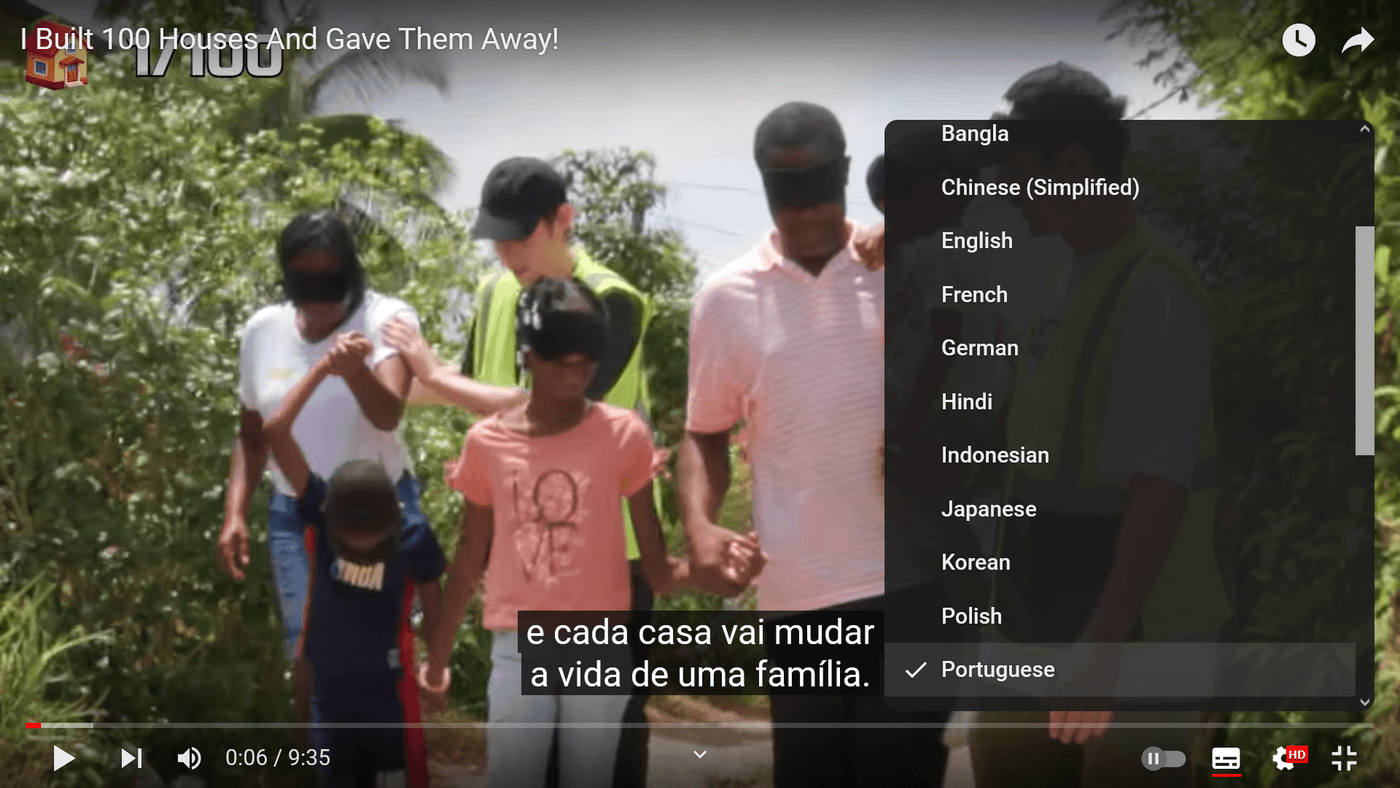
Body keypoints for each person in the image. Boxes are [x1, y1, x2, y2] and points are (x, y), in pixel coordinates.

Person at [968, 63, 1230, 787]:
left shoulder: (1155, 291)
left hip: (1131, 635)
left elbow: (1159, 485)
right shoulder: (1066, 276)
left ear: (1074, 165)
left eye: (1019, 173)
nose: (1008, 190)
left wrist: (1102, 641)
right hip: (1043, 618)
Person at [679, 101, 946, 788]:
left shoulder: (903, 265)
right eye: (784, 194)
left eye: (817, 190)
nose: (802, 214)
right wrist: (700, 524)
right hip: (797, 600)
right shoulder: (725, 299)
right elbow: (703, 433)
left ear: (847, 176)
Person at [421, 278, 762, 788]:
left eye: (588, 359)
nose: (577, 371)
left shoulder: (624, 435)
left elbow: (658, 570)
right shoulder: (487, 444)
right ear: (529, 356)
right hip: (521, 643)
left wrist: (720, 578)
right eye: (563, 358)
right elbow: (470, 556)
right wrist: (437, 661)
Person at [390, 157, 662, 788]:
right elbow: (460, 386)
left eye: (521, 235)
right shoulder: (495, 293)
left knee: (602, 759)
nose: (506, 251)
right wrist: (377, 380)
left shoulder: (614, 300)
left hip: (608, 565)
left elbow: (543, 407)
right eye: (497, 236)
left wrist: (433, 378)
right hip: (524, 561)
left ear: (562, 221)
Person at [219, 211, 427, 671]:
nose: (320, 306)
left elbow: (387, 413)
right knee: (307, 652)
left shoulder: (385, 319)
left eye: (330, 289)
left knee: (372, 651)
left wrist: (354, 370)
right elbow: (253, 437)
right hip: (295, 514)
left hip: (371, 516)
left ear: (351, 273)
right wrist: (235, 513)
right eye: (306, 292)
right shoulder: (262, 331)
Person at [261, 340, 448, 788]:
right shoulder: (322, 509)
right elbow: (276, 429)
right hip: (329, 703)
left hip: (385, 703)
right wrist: (324, 368)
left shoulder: (411, 535)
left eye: (373, 540)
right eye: (351, 540)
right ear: (329, 523)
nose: (362, 547)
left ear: (391, 524)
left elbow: (433, 596)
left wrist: (437, 666)